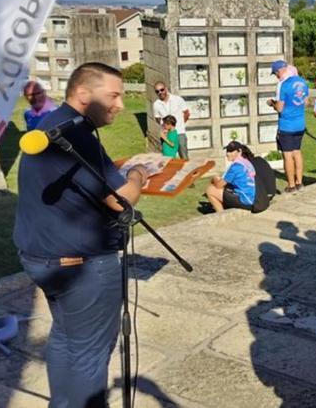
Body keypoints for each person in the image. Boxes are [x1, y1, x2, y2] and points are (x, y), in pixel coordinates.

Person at [14, 63, 150, 407]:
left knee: (66, 338)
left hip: (41, 256)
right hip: (81, 263)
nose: (120, 104)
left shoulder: (52, 124)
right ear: (84, 94)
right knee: (90, 351)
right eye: (114, 95)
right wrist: (137, 174)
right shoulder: (75, 136)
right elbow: (121, 201)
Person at [267, 60, 309, 193]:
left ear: (279, 71)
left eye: (275, 74)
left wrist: (271, 103)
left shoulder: (282, 85)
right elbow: (306, 102)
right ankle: (300, 182)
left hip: (287, 125)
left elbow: (279, 108)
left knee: (288, 155)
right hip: (300, 123)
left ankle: (291, 185)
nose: (276, 76)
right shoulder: (302, 81)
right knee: (297, 152)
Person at [203, 141, 256, 212]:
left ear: (239, 151)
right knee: (224, 187)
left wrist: (214, 179)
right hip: (253, 197)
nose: (228, 154)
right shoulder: (246, 161)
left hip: (246, 200)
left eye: (231, 151)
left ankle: (221, 215)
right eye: (227, 151)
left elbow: (219, 186)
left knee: (210, 190)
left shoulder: (236, 166)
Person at [152, 81, 190, 159]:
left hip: (179, 132)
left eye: (162, 90)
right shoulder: (156, 104)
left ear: (166, 89)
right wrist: (163, 127)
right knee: (167, 158)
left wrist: (180, 124)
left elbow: (186, 113)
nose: (160, 92)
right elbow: (157, 118)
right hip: (166, 134)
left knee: (184, 156)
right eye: (157, 91)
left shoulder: (177, 99)